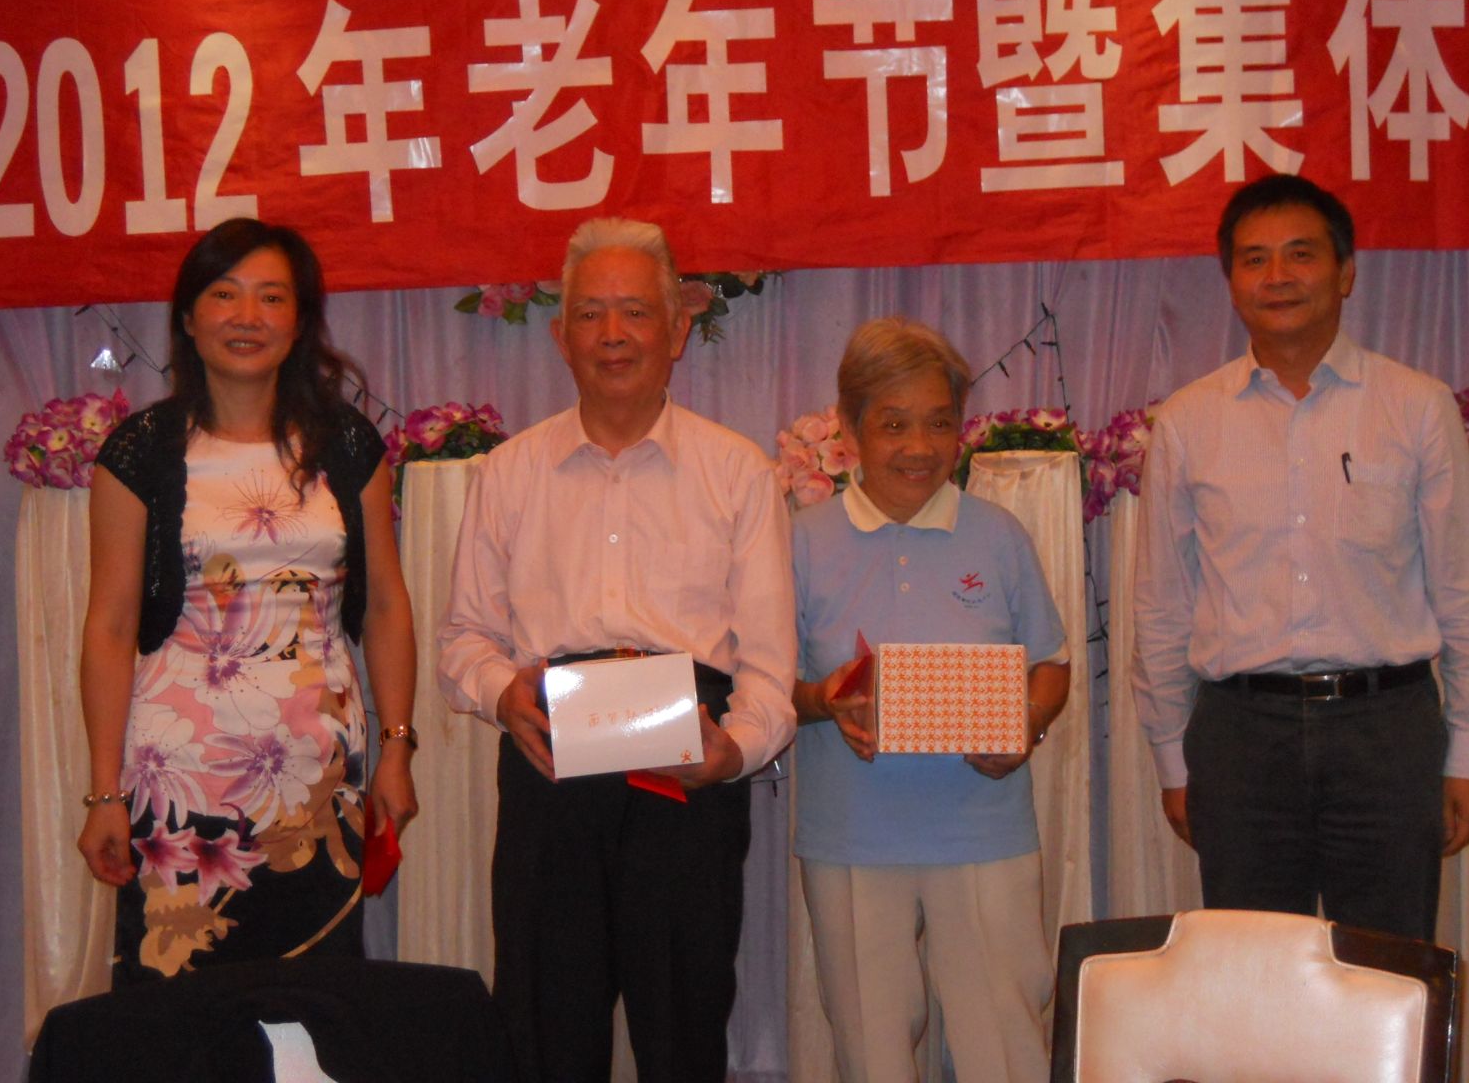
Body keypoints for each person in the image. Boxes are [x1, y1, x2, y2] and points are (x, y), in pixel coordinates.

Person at [437, 216, 795, 1083]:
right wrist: (500, 693)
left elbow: (767, 666)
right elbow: (463, 639)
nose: (612, 334)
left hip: (689, 769)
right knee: (544, 1026)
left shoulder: (737, 471)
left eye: (635, 312)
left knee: (684, 1027)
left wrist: (733, 753)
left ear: (677, 331)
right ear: (560, 336)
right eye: (591, 313)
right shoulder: (510, 471)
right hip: (551, 760)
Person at [1131, 173, 1469, 941]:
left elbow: (1464, 589)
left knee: (1386, 971)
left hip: (1387, 731)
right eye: (1254, 259)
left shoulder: (1415, 406)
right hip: (1240, 737)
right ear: (1231, 282)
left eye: (1300, 254)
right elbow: (1163, 604)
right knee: (1254, 971)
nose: (1277, 276)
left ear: (1345, 272)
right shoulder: (1188, 422)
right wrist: (1174, 760)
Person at [77, 218, 418, 984]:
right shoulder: (140, 451)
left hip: (318, 777)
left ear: (298, 323)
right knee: (179, 992)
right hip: (179, 771)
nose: (247, 316)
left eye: (271, 297)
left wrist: (397, 747)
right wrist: (104, 792)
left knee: (316, 992)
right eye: (225, 294)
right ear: (188, 318)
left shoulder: (347, 445)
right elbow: (111, 625)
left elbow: (387, 607)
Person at [792, 317, 1070, 1083]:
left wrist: (1027, 723)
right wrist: (823, 698)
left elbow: (1050, 663)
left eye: (940, 423)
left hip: (985, 833)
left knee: (1005, 1051)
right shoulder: (803, 541)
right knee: (871, 1055)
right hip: (852, 837)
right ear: (850, 429)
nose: (919, 447)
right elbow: (770, 687)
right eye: (894, 424)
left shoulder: (999, 535)